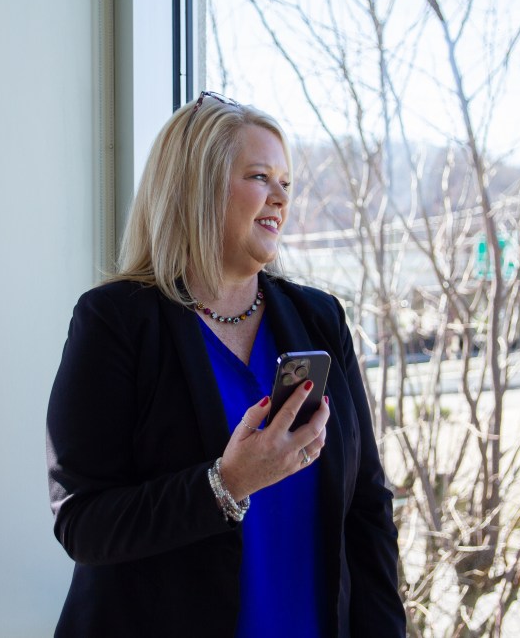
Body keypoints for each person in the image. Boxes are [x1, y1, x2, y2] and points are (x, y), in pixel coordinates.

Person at [45, 91, 406, 637]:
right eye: (260, 177)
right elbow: (84, 523)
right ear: (197, 188)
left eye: (287, 183)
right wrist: (226, 483)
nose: (280, 198)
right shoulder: (116, 321)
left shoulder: (320, 318)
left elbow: (367, 507)